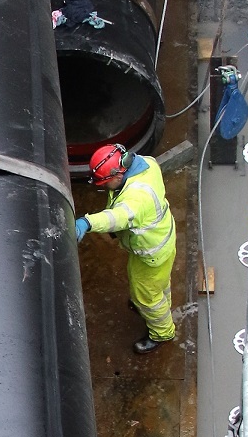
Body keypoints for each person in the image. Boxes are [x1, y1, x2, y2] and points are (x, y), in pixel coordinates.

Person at [75, 143, 177, 354]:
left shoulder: (137, 199)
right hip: (162, 241)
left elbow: (117, 217)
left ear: (117, 176)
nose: (103, 187)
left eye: (104, 183)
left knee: (146, 296)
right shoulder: (146, 164)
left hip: (151, 254)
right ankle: (162, 302)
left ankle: (162, 332)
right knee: (158, 282)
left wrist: (87, 222)